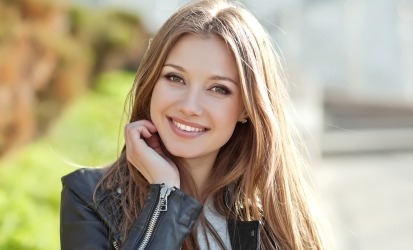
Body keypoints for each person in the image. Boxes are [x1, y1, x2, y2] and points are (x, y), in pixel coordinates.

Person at [60, 0, 329, 249]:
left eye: (218, 89)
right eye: (175, 78)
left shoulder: (272, 217)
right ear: (152, 82)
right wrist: (164, 196)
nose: (189, 106)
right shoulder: (90, 199)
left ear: (247, 108)